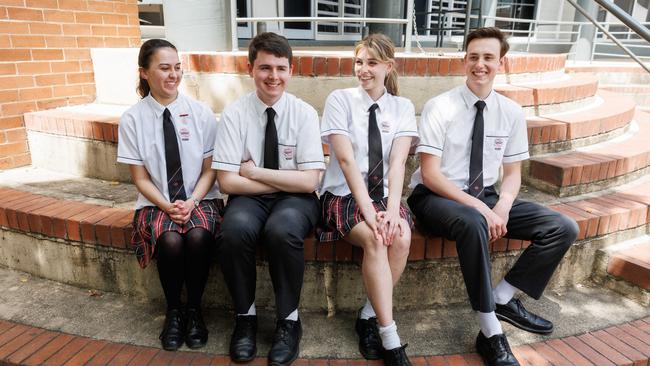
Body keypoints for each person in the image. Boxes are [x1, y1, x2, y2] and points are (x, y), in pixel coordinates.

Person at [407, 27, 579, 366]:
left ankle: (503, 297)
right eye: (473, 57)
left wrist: (499, 207)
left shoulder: (511, 112)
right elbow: (430, 174)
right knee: (473, 220)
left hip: (486, 197)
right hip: (433, 198)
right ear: (464, 62)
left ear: (501, 62)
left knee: (563, 227)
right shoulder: (439, 106)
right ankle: (490, 332)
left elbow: (513, 175)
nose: (480, 64)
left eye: (488, 58)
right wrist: (481, 209)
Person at [212, 32, 324, 365]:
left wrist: (256, 172)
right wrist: (283, 182)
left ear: (291, 70)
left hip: (295, 202)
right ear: (250, 69)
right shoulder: (235, 114)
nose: (273, 76)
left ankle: (288, 322)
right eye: (265, 68)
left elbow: (310, 182)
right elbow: (227, 181)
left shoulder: (303, 114)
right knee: (234, 231)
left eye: (280, 68)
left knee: (282, 230)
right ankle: (245, 318)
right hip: (252, 198)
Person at [117, 39, 223, 351]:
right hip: (156, 200)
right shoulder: (133, 119)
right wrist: (168, 206)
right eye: (164, 68)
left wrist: (191, 202)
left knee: (199, 235)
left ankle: (195, 310)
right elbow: (140, 178)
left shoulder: (201, 113)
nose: (173, 74)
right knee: (171, 239)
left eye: (177, 67)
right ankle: (174, 310)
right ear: (145, 73)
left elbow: (210, 170)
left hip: (200, 197)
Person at [318, 33, 417, 366]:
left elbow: (398, 163)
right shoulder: (340, 100)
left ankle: (368, 315)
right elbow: (345, 162)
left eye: (372, 63)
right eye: (359, 62)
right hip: (345, 194)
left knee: (400, 236)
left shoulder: (403, 107)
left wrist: (390, 212)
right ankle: (389, 335)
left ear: (388, 67)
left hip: (385, 196)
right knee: (377, 239)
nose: (363, 69)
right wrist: (370, 214)